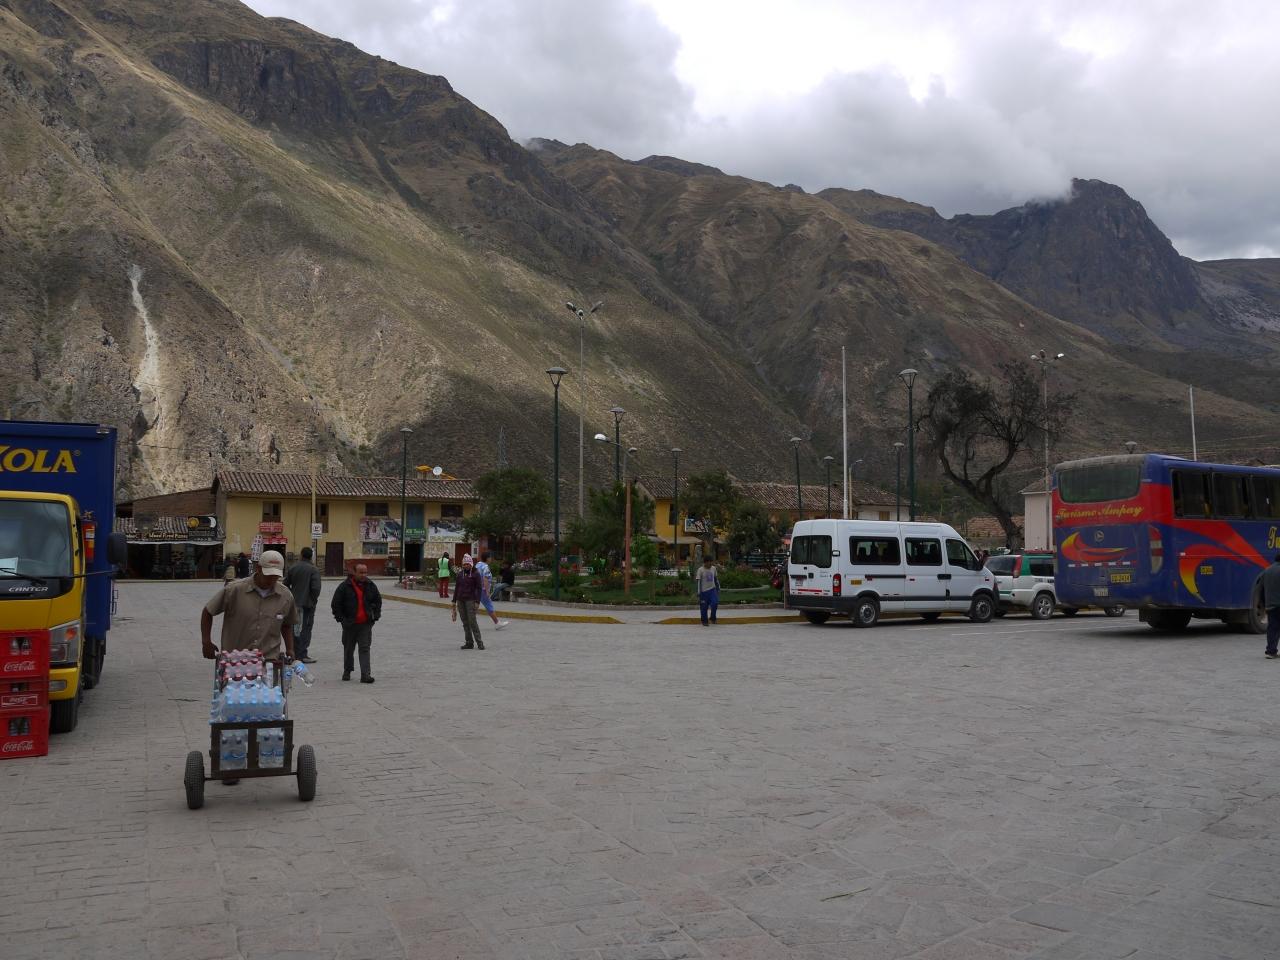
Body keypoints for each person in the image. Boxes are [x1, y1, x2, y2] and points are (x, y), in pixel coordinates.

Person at [199, 549, 297, 786]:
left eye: (276, 575)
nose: (272, 579)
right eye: (268, 574)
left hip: (269, 663)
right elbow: (208, 612)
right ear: (257, 568)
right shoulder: (234, 590)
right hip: (234, 665)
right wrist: (206, 641)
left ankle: (265, 754)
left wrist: (291, 649)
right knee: (232, 717)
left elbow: (287, 625)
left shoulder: (285, 596)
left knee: (269, 713)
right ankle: (231, 763)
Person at [331, 563, 382, 682]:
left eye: (365, 572)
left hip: (365, 624)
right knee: (349, 649)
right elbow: (336, 604)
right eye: (361, 572)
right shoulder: (344, 586)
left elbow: (378, 601)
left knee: (364, 648)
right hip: (350, 624)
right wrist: (342, 619)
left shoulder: (370, 585)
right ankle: (347, 671)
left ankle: (365, 675)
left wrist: (375, 616)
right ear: (354, 572)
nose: (364, 575)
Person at [284, 547, 322, 664]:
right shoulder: (313, 569)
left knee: (295, 629)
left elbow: (285, 584)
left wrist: (292, 595)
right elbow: (316, 588)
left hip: (294, 603)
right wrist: (313, 600)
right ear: (311, 556)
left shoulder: (293, 567)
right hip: (307, 605)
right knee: (305, 628)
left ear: (301, 555)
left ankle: (294, 652)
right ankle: (302, 654)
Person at [452, 554, 485, 650]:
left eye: (467, 564)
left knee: (472, 621)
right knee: (465, 622)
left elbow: (479, 589)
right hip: (460, 600)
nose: (466, 566)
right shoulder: (460, 574)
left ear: (471, 564)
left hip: (470, 600)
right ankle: (469, 642)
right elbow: (457, 588)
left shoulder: (476, 574)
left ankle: (480, 642)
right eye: (464, 564)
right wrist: (454, 601)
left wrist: (477, 601)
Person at [474, 551, 509, 630]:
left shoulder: (477, 565)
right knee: (489, 606)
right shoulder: (485, 567)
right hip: (483, 590)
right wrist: (487, 591)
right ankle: (497, 623)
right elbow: (485, 579)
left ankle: (470, 622)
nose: (491, 559)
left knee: (475, 605)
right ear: (487, 558)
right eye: (490, 557)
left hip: (475, 588)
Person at [696, 555, 720, 626]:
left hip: (712, 590)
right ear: (705, 562)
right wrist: (698, 592)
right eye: (709, 562)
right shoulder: (700, 570)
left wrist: (718, 587)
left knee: (715, 603)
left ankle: (713, 618)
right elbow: (698, 582)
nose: (710, 564)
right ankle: (704, 621)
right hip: (704, 592)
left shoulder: (713, 568)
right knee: (704, 607)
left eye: (711, 562)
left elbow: (716, 579)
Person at [1264, 553, 1280, 659]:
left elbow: (1262, 588)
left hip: (1270, 604)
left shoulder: (1267, 570)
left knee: (1273, 628)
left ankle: (1271, 651)